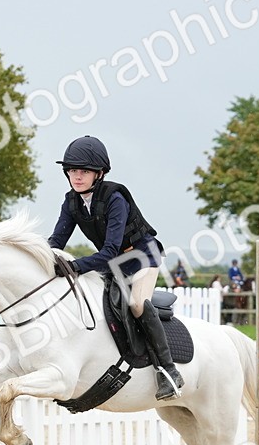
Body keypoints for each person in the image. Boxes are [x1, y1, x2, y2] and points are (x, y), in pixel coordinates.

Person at [47, 135, 183, 400]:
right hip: (112, 263)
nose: (77, 176)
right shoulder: (71, 202)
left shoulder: (114, 197)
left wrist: (74, 266)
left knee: (136, 303)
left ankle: (168, 370)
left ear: (99, 173)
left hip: (142, 256)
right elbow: (56, 242)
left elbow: (109, 250)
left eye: (84, 171)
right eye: (72, 170)